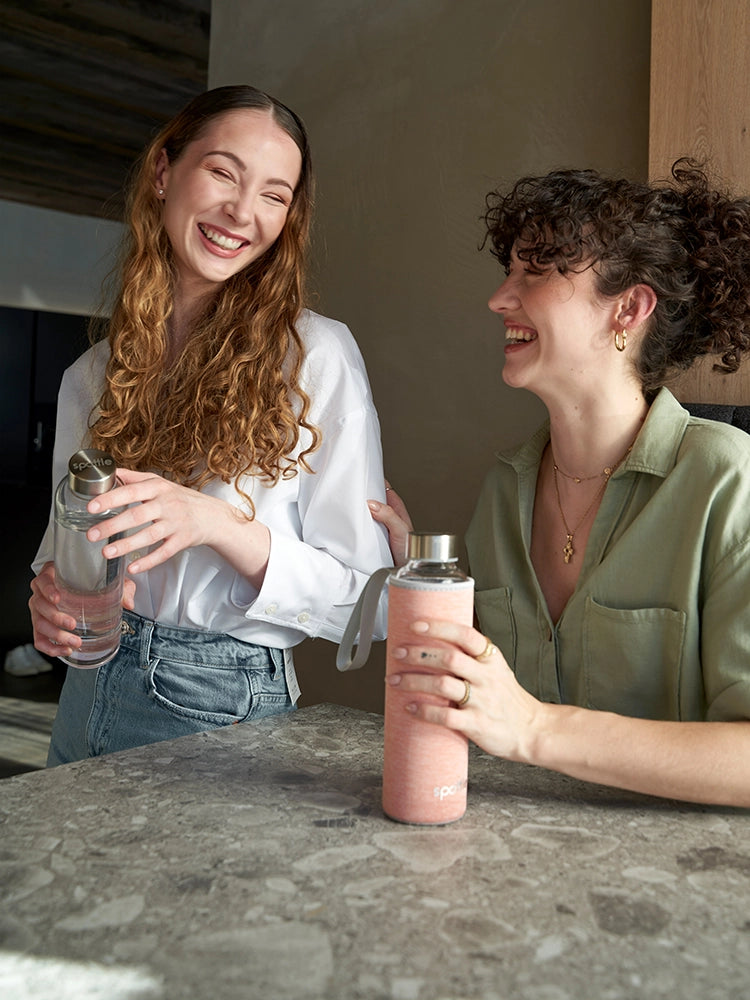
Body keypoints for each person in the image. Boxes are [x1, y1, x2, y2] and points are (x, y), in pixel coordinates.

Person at [370, 160, 750, 807]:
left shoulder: (726, 480)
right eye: (510, 270)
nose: (499, 298)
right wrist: (425, 579)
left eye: (537, 270)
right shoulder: (504, 489)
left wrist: (536, 729)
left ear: (629, 308)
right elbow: (488, 695)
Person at [30, 85, 391, 765]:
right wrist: (51, 597)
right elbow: (65, 554)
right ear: (163, 172)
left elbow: (369, 606)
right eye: (224, 172)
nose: (242, 211)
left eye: (274, 195)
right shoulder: (91, 375)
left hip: (221, 702)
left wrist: (217, 525)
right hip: (84, 695)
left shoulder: (316, 358)